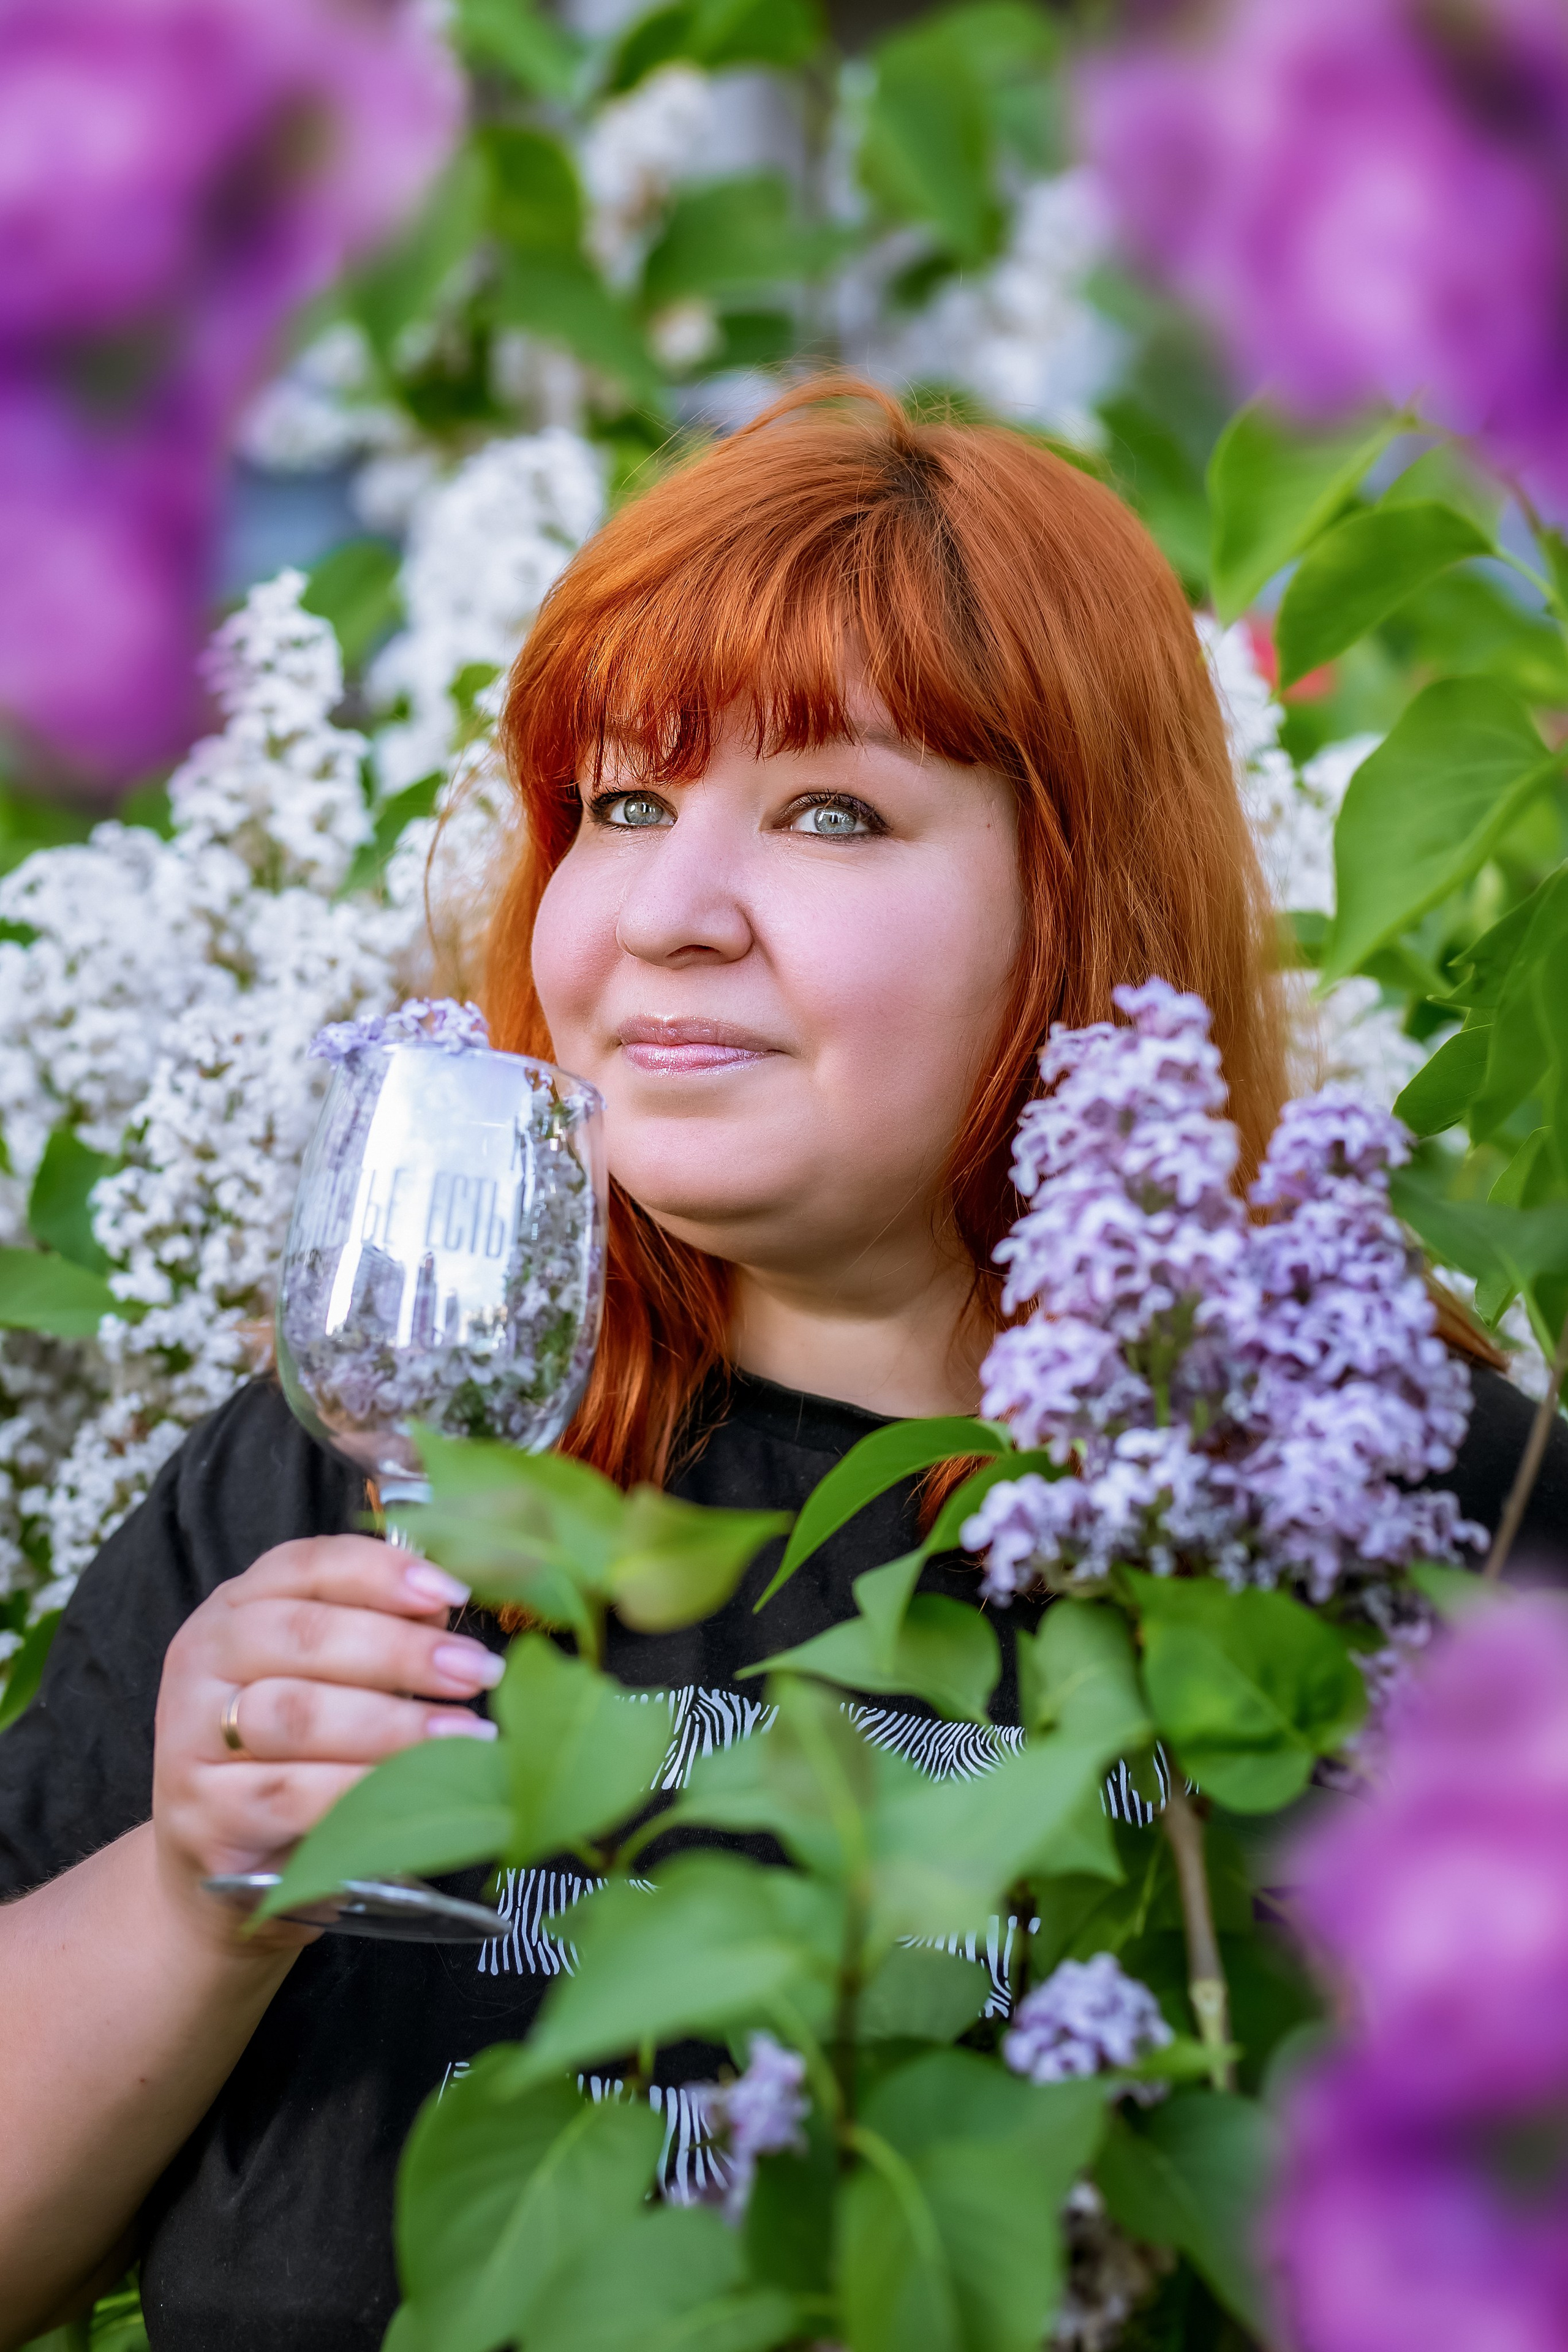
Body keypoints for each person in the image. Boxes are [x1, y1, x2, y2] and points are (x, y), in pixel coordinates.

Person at [1, 380, 1562, 2351]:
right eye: (624, 804)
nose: (662, 912)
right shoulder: (378, 1456)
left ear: (1073, 895)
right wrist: (190, 1893)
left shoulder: (1406, 1514)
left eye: (832, 811)